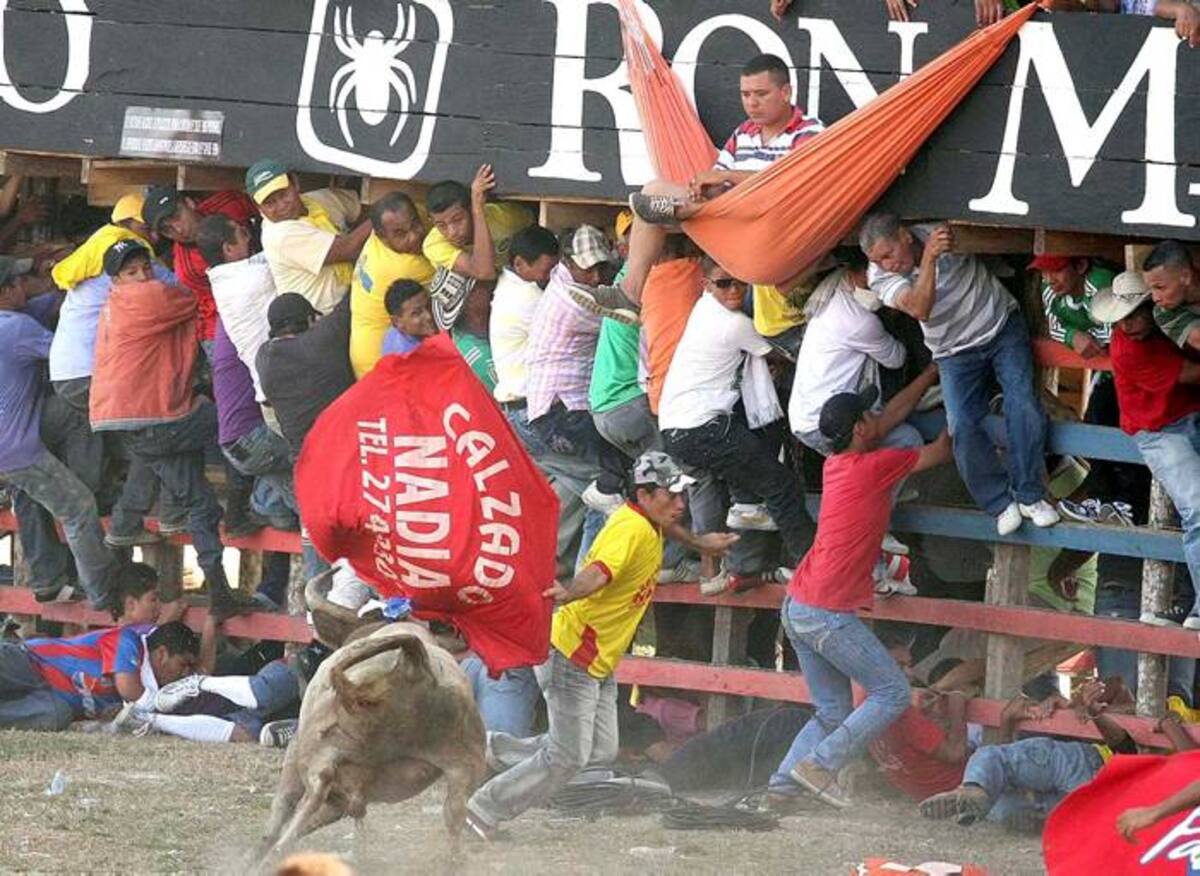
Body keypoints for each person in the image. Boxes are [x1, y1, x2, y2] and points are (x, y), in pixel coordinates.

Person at [464, 451, 737, 840]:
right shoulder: (629, 531)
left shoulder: (645, 519)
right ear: (644, 494)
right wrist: (569, 591)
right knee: (568, 756)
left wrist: (699, 542)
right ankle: (482, 810)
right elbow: (596, 574)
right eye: (671, 496)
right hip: (572, 655)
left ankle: (494, 749)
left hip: (596, 660)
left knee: (597, 751)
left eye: (681, 496)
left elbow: (667, 529)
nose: (680, 505)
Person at [768, 378, 953, 808]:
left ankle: (781, 787)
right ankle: (820, 765)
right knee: (892, 692)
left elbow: (886, 421)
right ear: (858, 430)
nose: (877, 418)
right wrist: (959, 416)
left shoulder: (836, 464)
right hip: (827, 610)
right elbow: (941, 451)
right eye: (869, 416)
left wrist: (925, 376)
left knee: (832, 710)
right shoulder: (876, 466)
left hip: (798, 604)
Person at [862, 214, 1058, 535]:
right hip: (953, 352)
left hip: (1000, 327)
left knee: (1022, 405)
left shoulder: (940, 232)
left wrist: (937, 248)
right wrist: (929, 258)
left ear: (904, 236)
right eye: (876, 259)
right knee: (962, 425)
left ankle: (1029, 495)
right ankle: (998, 502)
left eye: (887, 254)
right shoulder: (880, 276)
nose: (885, 264)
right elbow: (919, 307)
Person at [89, 239, 255, 617]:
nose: (143, 276)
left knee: (197, 495)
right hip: (155, 415)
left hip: (135, 418)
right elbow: (187, 299)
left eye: (146, 268)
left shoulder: (112, 306)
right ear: (116, 279)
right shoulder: (145, 298)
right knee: (230, 419)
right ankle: (242, 504)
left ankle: (214, 592)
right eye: (132, 272)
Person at [612, 54, 823, 326]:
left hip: (772, 225)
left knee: (686, 201)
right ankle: (630, 293)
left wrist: (726, 176)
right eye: (745, 94)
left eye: (761, 94)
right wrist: (704, 186)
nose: (752, 102)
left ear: (785, 92)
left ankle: (679, 211)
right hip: (726, 218)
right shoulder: (744, 132)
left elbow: (790, 184)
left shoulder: (809, 131)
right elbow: (718, 180)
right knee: (653, 190)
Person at [659, 256, 811, 570]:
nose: (734, 290)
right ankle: (809, 564)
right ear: (706, 285)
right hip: (701, 428)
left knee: (754, 442)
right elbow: (782, 356)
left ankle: (746, 505)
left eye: (740, 282)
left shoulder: (703, 307)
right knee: (781, 484)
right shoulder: (735, 324)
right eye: (724, 283)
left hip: (680, 426)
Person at [0, 257, 116, 609]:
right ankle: (103, 594)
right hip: (16, 449)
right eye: (22, 281)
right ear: (7, 292)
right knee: (80, 507)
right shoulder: (16, 328)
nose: (28, 284)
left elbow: (46, 300)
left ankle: (48, 580)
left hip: (13, 437)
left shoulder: (15, 318)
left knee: (30, 493)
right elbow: (68, 356)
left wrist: (64, 282)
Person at [1091, 271, 1200, 628]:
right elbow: (1188, 373)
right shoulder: (1127, 349)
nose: (1128, 324)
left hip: (1188, 415)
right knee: (1197, 510)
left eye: (1135, 314)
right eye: (1122, 318)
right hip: (1159, 431)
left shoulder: (1167, 322)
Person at [921, 680, 1138, 832]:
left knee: (990, 758)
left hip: (1089, 764)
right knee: (999, 803)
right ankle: (1035, 816)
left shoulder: (1149, 714)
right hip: (1092, 793)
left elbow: (1118, 690)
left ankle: (972, 791)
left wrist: (1077, 705)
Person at [525, 225, 629, 508]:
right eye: (587, 269)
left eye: (600, 267)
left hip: (561, 409)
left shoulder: (564, 277)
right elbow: (629, 319)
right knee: (628, 461)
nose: (595, 277)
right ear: (567, 262)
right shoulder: (575, 301)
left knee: (607, 497)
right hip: (562, 413)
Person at [790, 249, 912, 456]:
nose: (877, 286)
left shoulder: (835, 287)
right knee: (908, 438)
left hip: (806, 412)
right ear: (854, 272)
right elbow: (897, 359)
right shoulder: (858, 321)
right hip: (824, 422)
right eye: (871, 281)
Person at [0, 614, 195, 731]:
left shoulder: (149, 689)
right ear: (162, 654)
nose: (185, 673)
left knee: (58, 716)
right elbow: (129, 689)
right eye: (183, 664)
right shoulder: (128, 640)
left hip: (52, 700)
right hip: (29, 661)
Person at [140, 185, 260, 356]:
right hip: (223, 328)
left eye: (177, 216)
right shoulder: (186, 268)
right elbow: (226, 303)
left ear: (190, 203)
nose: (179, 229)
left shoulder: (230, 203)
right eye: (167, 229)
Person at [246, 159, 371, 313]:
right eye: (270, 203)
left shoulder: (316, 201)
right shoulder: (279, 234)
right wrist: (385, 212)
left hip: (348, 302)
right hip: (321, 319)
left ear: (295, 184)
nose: (281, 205)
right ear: (258, 207)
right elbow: (349, 249)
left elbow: (364, 211)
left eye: (284, 194)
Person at [256, 292, 354, 458]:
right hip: (344, 452)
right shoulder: (324, 338)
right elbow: (351, 300)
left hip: (304, 461)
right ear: (310, 319)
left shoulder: (263, 357)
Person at [348, 191, 434, 378]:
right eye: (401, 234)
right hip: (380, 363)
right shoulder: (404, 266)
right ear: (382, 236)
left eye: (415, 225)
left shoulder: (385, 230)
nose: (414, 237)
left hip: (371, 346)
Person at [490, 223, 560, 435]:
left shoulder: (508, 285)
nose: (552, 276)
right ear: (519, 264)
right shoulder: (527, 297)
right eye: (547, 270)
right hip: (530, 409)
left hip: (518, 408)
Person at [196, 215, 275, 401]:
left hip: (272, 392)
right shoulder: (251, 279)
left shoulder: (225, 280)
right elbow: (281, 255)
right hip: (283, 391)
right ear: (228, 249)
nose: (249, 238)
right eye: (243, 233)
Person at [422, 165, 533, 281]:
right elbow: (484, 272)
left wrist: (477, 209)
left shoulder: (504, 217)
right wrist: (477, 210)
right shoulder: (433, 244)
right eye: (441, 225)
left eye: (458, 220)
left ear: (470, 209)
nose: (452, 232)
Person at [1142, 239, 1200, 354]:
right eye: (1151, 289)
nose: (1155, 298)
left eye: (1160, 287)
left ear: (1186, 276)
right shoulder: (1163, 313)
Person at [451, 279, 497, 393]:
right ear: (469, 299)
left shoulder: (459, 331)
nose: (491, 287)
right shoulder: (481, 358)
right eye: (482, 286)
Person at [381, 279, 438, 355]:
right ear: (397, 322)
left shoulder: (398, 331)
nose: (429, 316)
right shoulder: (409, 356)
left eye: (428, 305)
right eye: (416, 313)